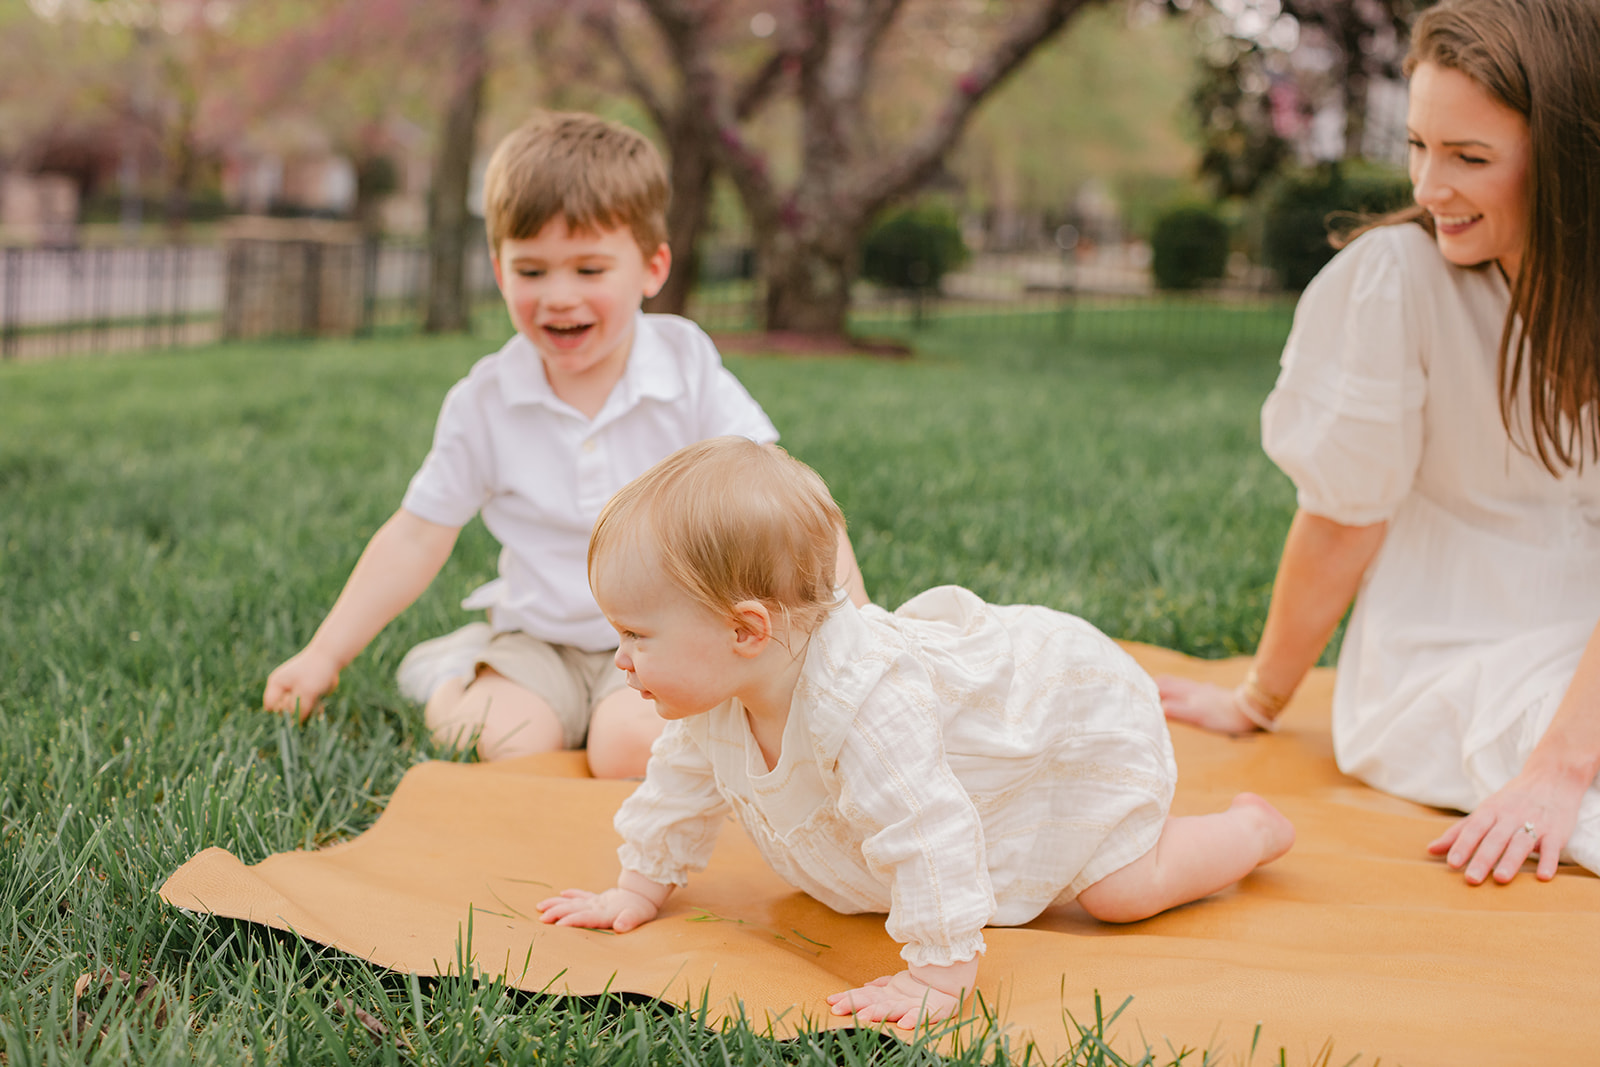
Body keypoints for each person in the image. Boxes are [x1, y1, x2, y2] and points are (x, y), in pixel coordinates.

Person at [537, 437, 1293, 1029]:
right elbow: (680, 785)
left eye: (636, 634)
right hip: (983, 763)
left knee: (1121, 890)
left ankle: (1250, 830)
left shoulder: (863, 702)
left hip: (1061, 729)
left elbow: (927, 827)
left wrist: (938, 970)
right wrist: (636, 887)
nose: (621, 659)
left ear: (745, 629)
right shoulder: (716, 698)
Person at [263, 112, 867, 777]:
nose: (558, 296)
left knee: (628, 750)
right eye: (531, 270)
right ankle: (448, 675)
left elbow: (791, 501)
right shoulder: (485, 400)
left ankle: (598, 710)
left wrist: (854, 634)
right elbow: (416, 536)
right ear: (499, 270)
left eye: (588, 267)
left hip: (665, 640)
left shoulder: (685, 368)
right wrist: (323, 654)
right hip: (537, 639)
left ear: (652, 266)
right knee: (510, 741)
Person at [1159, 0, 1600, 886]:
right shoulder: (1393, 283)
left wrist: (1566, 761)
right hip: (1462, 648)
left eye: (1470, 157)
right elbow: (1341, 520)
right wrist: (1259, 696)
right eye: (1418, 146)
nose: (1429, 188)